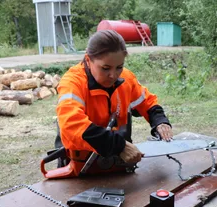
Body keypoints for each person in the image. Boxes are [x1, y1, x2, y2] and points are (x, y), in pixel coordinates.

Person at [54, 30, 173, 176]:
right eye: (105, 68)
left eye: (119, 67)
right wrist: (118, 145)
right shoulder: (72, 83)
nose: (113, 75)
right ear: (88, 59)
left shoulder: (126, 79)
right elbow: (71, 125)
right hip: (80, 169)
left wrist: (159, 121)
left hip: (118, 164)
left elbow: (147, 102)